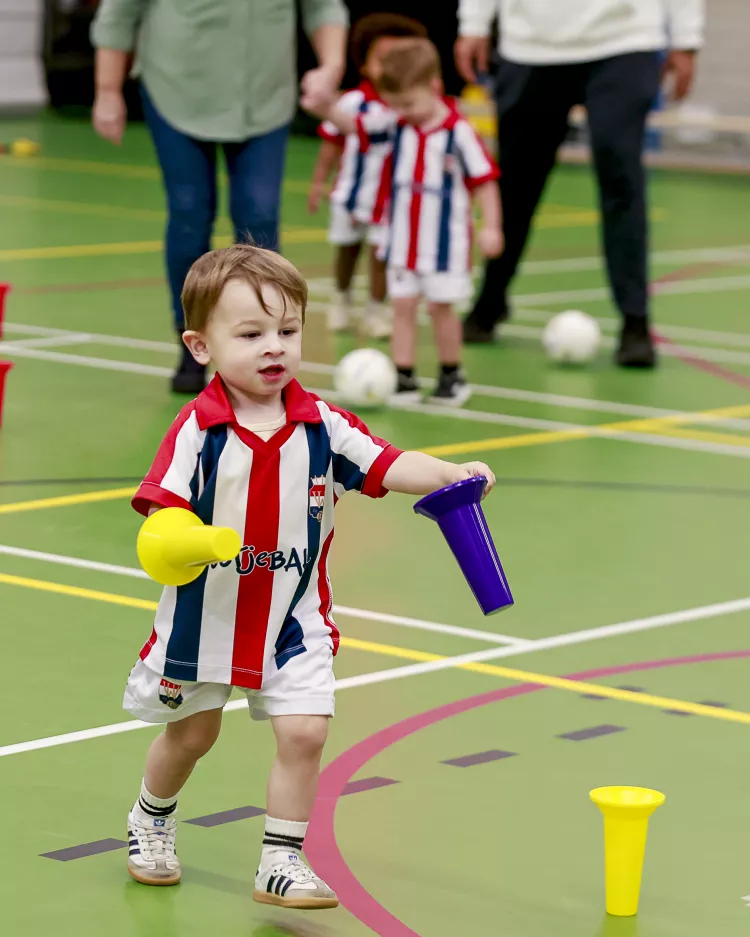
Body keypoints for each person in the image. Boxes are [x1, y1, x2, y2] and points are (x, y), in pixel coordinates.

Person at [123, 244, 496, 906]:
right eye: (251, 333)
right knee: (192, 735)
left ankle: (281, 858)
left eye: (287, 331)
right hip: (205, 617)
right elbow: (161, 518)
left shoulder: (320, 422)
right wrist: (190, 537)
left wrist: (448, 473)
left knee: (305, 729)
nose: (274, 347)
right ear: (200, 344)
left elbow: (385, 463)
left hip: (294, 616)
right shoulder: (198, 429)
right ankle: (151, 816)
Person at [90, 0, 349, 394]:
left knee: (259, 216)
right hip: (175, 90)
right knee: (190, 212)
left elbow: (324, 8)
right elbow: (119, 14)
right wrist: (107, 90)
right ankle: (192, 342)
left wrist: (330, 68)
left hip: (265, 98)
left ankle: (265, 349)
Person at [454, 0, 706, 367]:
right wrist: (473, 22)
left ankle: (635, 320)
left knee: (621, 177)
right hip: (529, 45)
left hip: (625, 38)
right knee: (517, 183)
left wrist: (686, 38)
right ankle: (490, 301)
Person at [306, 39, 504, 407]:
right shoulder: (397, 124)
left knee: (441, 309)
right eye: (396, 106)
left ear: (434, 87)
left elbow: (485, 180)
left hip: (445, 245)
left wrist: (492, 226)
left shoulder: (458, 132)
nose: (404, 112)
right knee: (402, 308)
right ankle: (404, 376)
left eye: (410, 104)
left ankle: (451, 373)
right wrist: (326, 109)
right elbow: (353, 125)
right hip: (399, 242)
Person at [309, 13, 427, 339]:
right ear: (364, 64)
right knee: (346, 250)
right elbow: (331, 144)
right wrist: (319, 182)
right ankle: (341, 299)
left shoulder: (408, 106)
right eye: (382, 59)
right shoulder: (352, 102)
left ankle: (376, 311)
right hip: (351, 195)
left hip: (391, 201)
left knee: (381, 257)